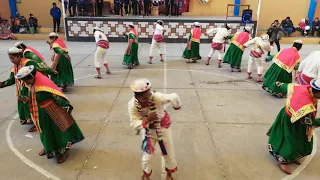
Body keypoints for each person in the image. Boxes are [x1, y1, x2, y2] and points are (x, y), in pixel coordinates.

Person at [15, 65, 84, 164]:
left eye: (26, 81)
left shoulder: (43, 85)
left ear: (31, 76)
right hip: (40, 112)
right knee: (45, 131)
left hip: (52, 111)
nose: (26, 83)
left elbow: (57, 95)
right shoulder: (33, 82)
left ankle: (63, 152)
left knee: (57, 132)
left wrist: (66, 106)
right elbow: (34, 97)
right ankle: (49, 147)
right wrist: (26, 100)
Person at [128, 78, 182, 180]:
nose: (148, 100)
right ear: (136, 96)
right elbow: (134, 123)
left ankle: (169, 175)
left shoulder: (156, 97)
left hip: (163, 129)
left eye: (149, 95)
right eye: (144, 99)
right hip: (148, 132)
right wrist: (147, 119)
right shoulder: (132, 105)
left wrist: (177, 106)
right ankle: (146, 176)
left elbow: (174, 96)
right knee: (146, 158)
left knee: (169, 154)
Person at [267, 80, 320, 174]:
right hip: (293, 122)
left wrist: (277, 83)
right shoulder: (306, 104)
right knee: (291, 141)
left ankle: (292, 157)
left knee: (297, 141)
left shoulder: (301, 87)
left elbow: (281, 85)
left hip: (291, 116)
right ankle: (283, 161)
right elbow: (307, 121)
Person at [0, 47, 53, 132]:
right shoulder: (15, 67)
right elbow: (12, 79)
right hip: (22, 90)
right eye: (10, 58)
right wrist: (2, 84)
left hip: (31, 89)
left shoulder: (28, 63)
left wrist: (51, 72)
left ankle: (38, 124)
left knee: (35, 107)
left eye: (13, 58)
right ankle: (32, 120)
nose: (11, 60)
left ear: (18, 56)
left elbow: (41, 68)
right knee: (26, 104)